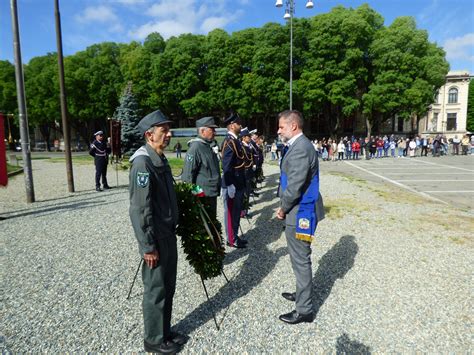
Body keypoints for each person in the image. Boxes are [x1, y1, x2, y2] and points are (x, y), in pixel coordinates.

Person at [129, 110, 187, 354]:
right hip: (156, 238)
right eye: (164, 131)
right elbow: (140, 209)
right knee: (155, 289)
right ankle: (153, 339)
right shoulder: (143, 162)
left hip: (167, 232)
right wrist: (147, 246)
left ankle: (164, 330)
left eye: (168, 130)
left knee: (167, 286)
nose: (169, 135)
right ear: (149, 135)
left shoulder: (159, 157)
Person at [276, 110, 325, 325]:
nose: (278, 131)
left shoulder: (300, 149)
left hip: (300, 212)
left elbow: (295, 186)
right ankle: (302, 293)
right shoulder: (299, 145)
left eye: (281, 127)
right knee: (299, 258)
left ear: (293, 126)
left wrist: (282, 208)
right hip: (300, 209)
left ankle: (304, 310)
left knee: (300, 258)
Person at [181, 116, 221, 221]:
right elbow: (187, 176)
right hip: (203, 195)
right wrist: (198, 195)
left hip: (211, 193)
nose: (215, 132)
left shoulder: (208, 146)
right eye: (212, 129)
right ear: (203, 131)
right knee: (205, 224)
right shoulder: (195, 148)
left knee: (212, 221)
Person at [221, 113, 247, 248]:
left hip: (238, 182)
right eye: (238, 123)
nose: (240, 125)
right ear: (231, 125)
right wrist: (230, 184)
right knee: (231, 213)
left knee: (236, 212)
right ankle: (231, 239)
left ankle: (234, 236)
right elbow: (226, 166)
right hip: (232, 183)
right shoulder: (230, 141)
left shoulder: (235, 140)